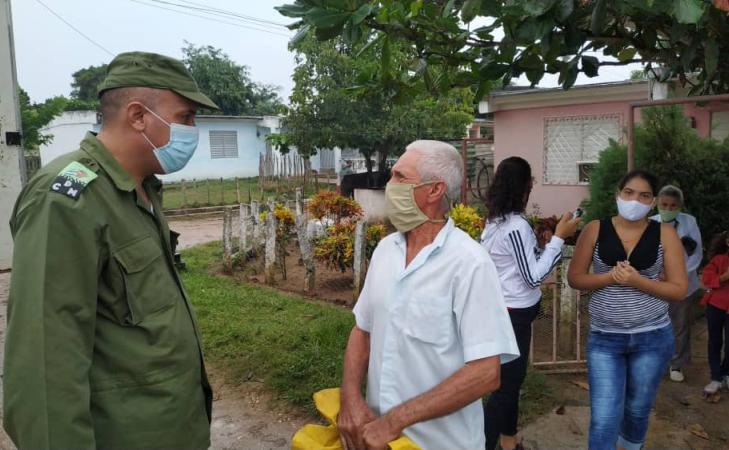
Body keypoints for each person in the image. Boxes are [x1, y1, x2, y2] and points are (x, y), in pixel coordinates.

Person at [4, 52, 220, 449]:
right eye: (186, 117)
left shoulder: (142, 188)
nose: (192, 129)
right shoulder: (68, 199)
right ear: (138, 116)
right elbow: (44, 363)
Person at [337, 140, 520, 450]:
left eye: (400, 177)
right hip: (376, 440)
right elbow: (362, 330)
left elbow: (486, 373)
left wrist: (395, 421)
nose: (389, 184)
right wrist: (350, 396)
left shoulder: (469, 263)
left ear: (434, 190)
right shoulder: (385, 251)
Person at [568, 170, 688, 450]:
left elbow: (679, 288)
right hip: (605, 339)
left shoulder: (665, 234)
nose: (636, 200)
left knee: (637, 409)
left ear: (653, 201)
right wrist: (609, 277)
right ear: (618, 195)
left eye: (644, 195)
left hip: (652, 337)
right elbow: (576, 278)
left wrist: (637, 281)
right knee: (604, 416)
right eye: (629, 193)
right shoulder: (595, 229)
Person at [480, 156, 581, 450]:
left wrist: (544, 246)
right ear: (525, 186)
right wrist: (560, 239)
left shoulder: (495, 221)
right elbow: (532, 278)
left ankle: (509, 442)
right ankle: (481, 444)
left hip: (504, 310)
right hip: (514, 315)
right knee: (507, 387)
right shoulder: (515, 226)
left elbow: (517, 267)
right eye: (531, 181)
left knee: (509, 382)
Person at [650, 185, 703, 383]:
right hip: (655, 284)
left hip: (682, 285)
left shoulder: (690, 223)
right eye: (664, 204)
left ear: (679, 206)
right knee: (654, 325)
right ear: (656, 203)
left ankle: (677, 364)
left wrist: (675, 275)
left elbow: (695, 253)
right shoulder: (649, 223)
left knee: (679, 325)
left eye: (673, 205)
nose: (668, 208)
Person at [698, 231, 729, 396]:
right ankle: (716, 377)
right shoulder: (719, 259)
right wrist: (724, 277)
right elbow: (706, 280)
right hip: (716, 306)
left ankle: (726, 373)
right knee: (715, 342)